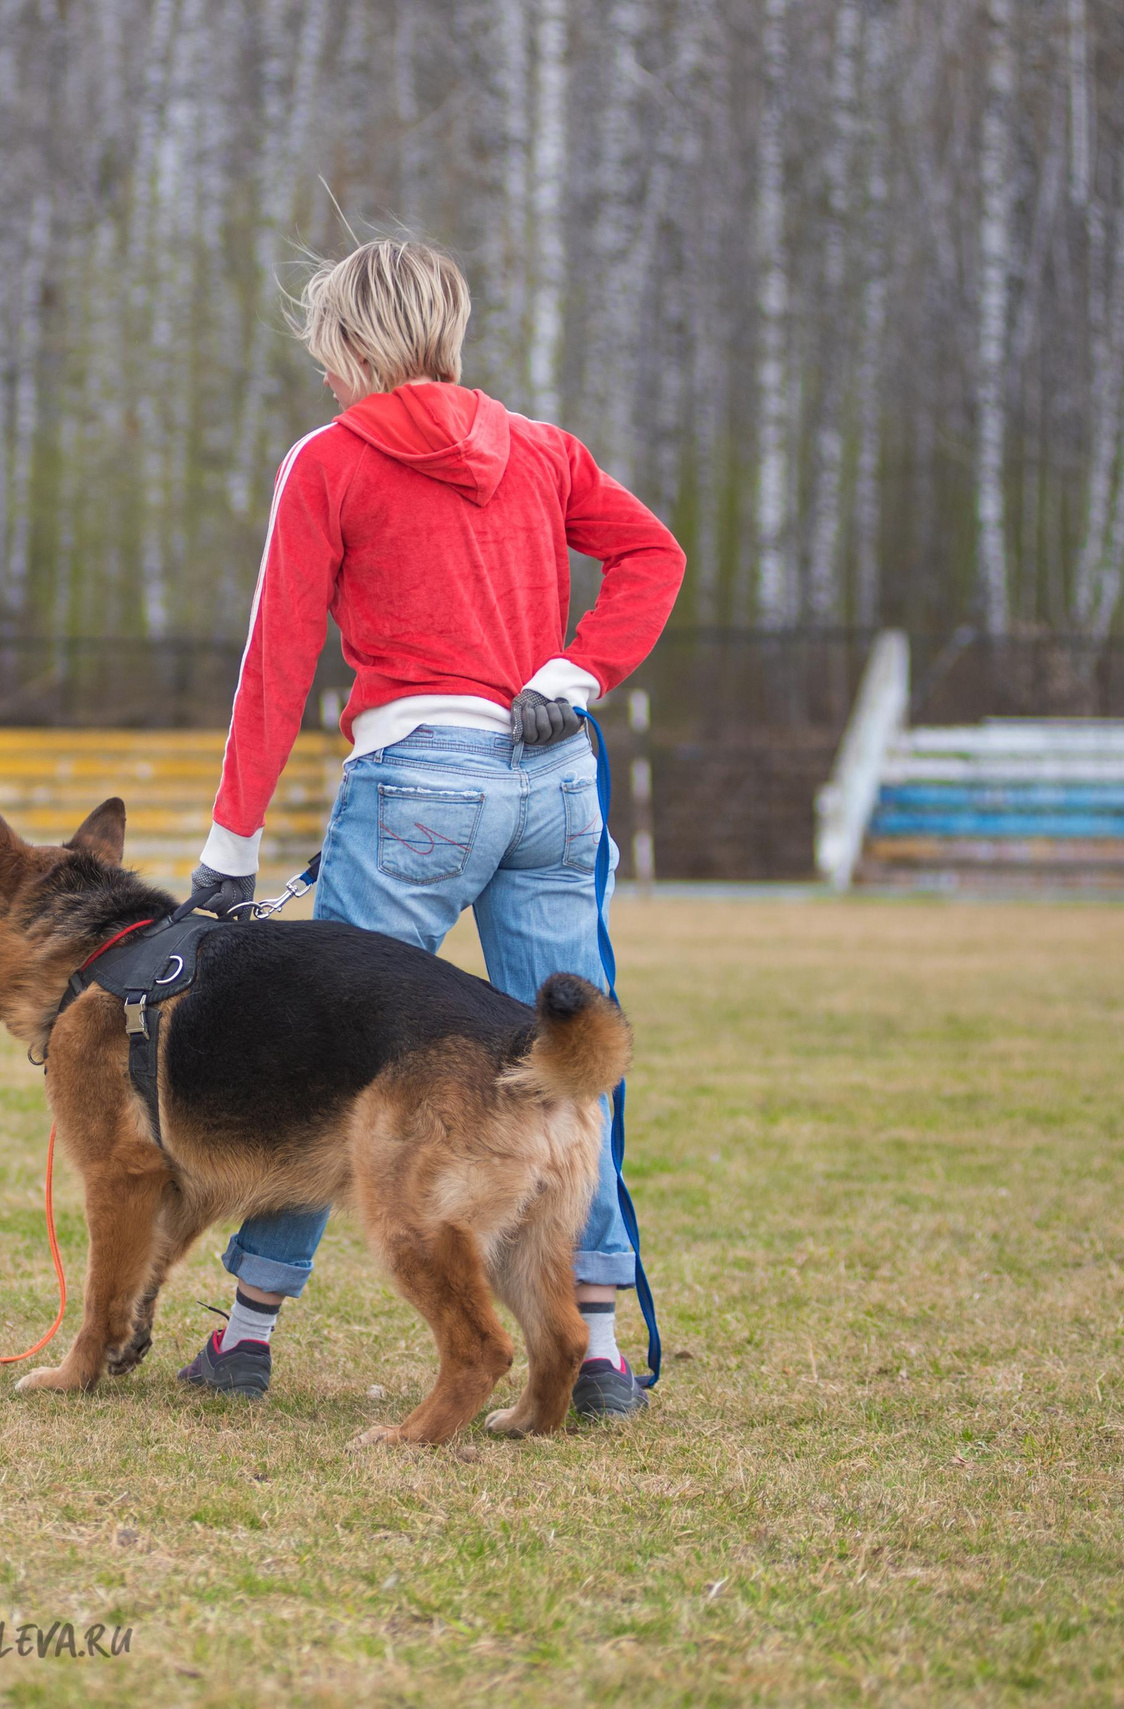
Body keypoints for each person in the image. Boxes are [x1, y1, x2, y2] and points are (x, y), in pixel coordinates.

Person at [177, 239, 684, 1416]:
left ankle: (246, 1332)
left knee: (328, 1046)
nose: (322, 379)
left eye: (325, 352)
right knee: (568, 1057)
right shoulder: (543, 449)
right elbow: (652, 554)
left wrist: (228, 848)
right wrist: (578, 664)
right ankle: (595, 1348)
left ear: (357, 344)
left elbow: (276, 660)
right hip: (555, 774)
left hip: (418, 779)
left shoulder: (330, 459)